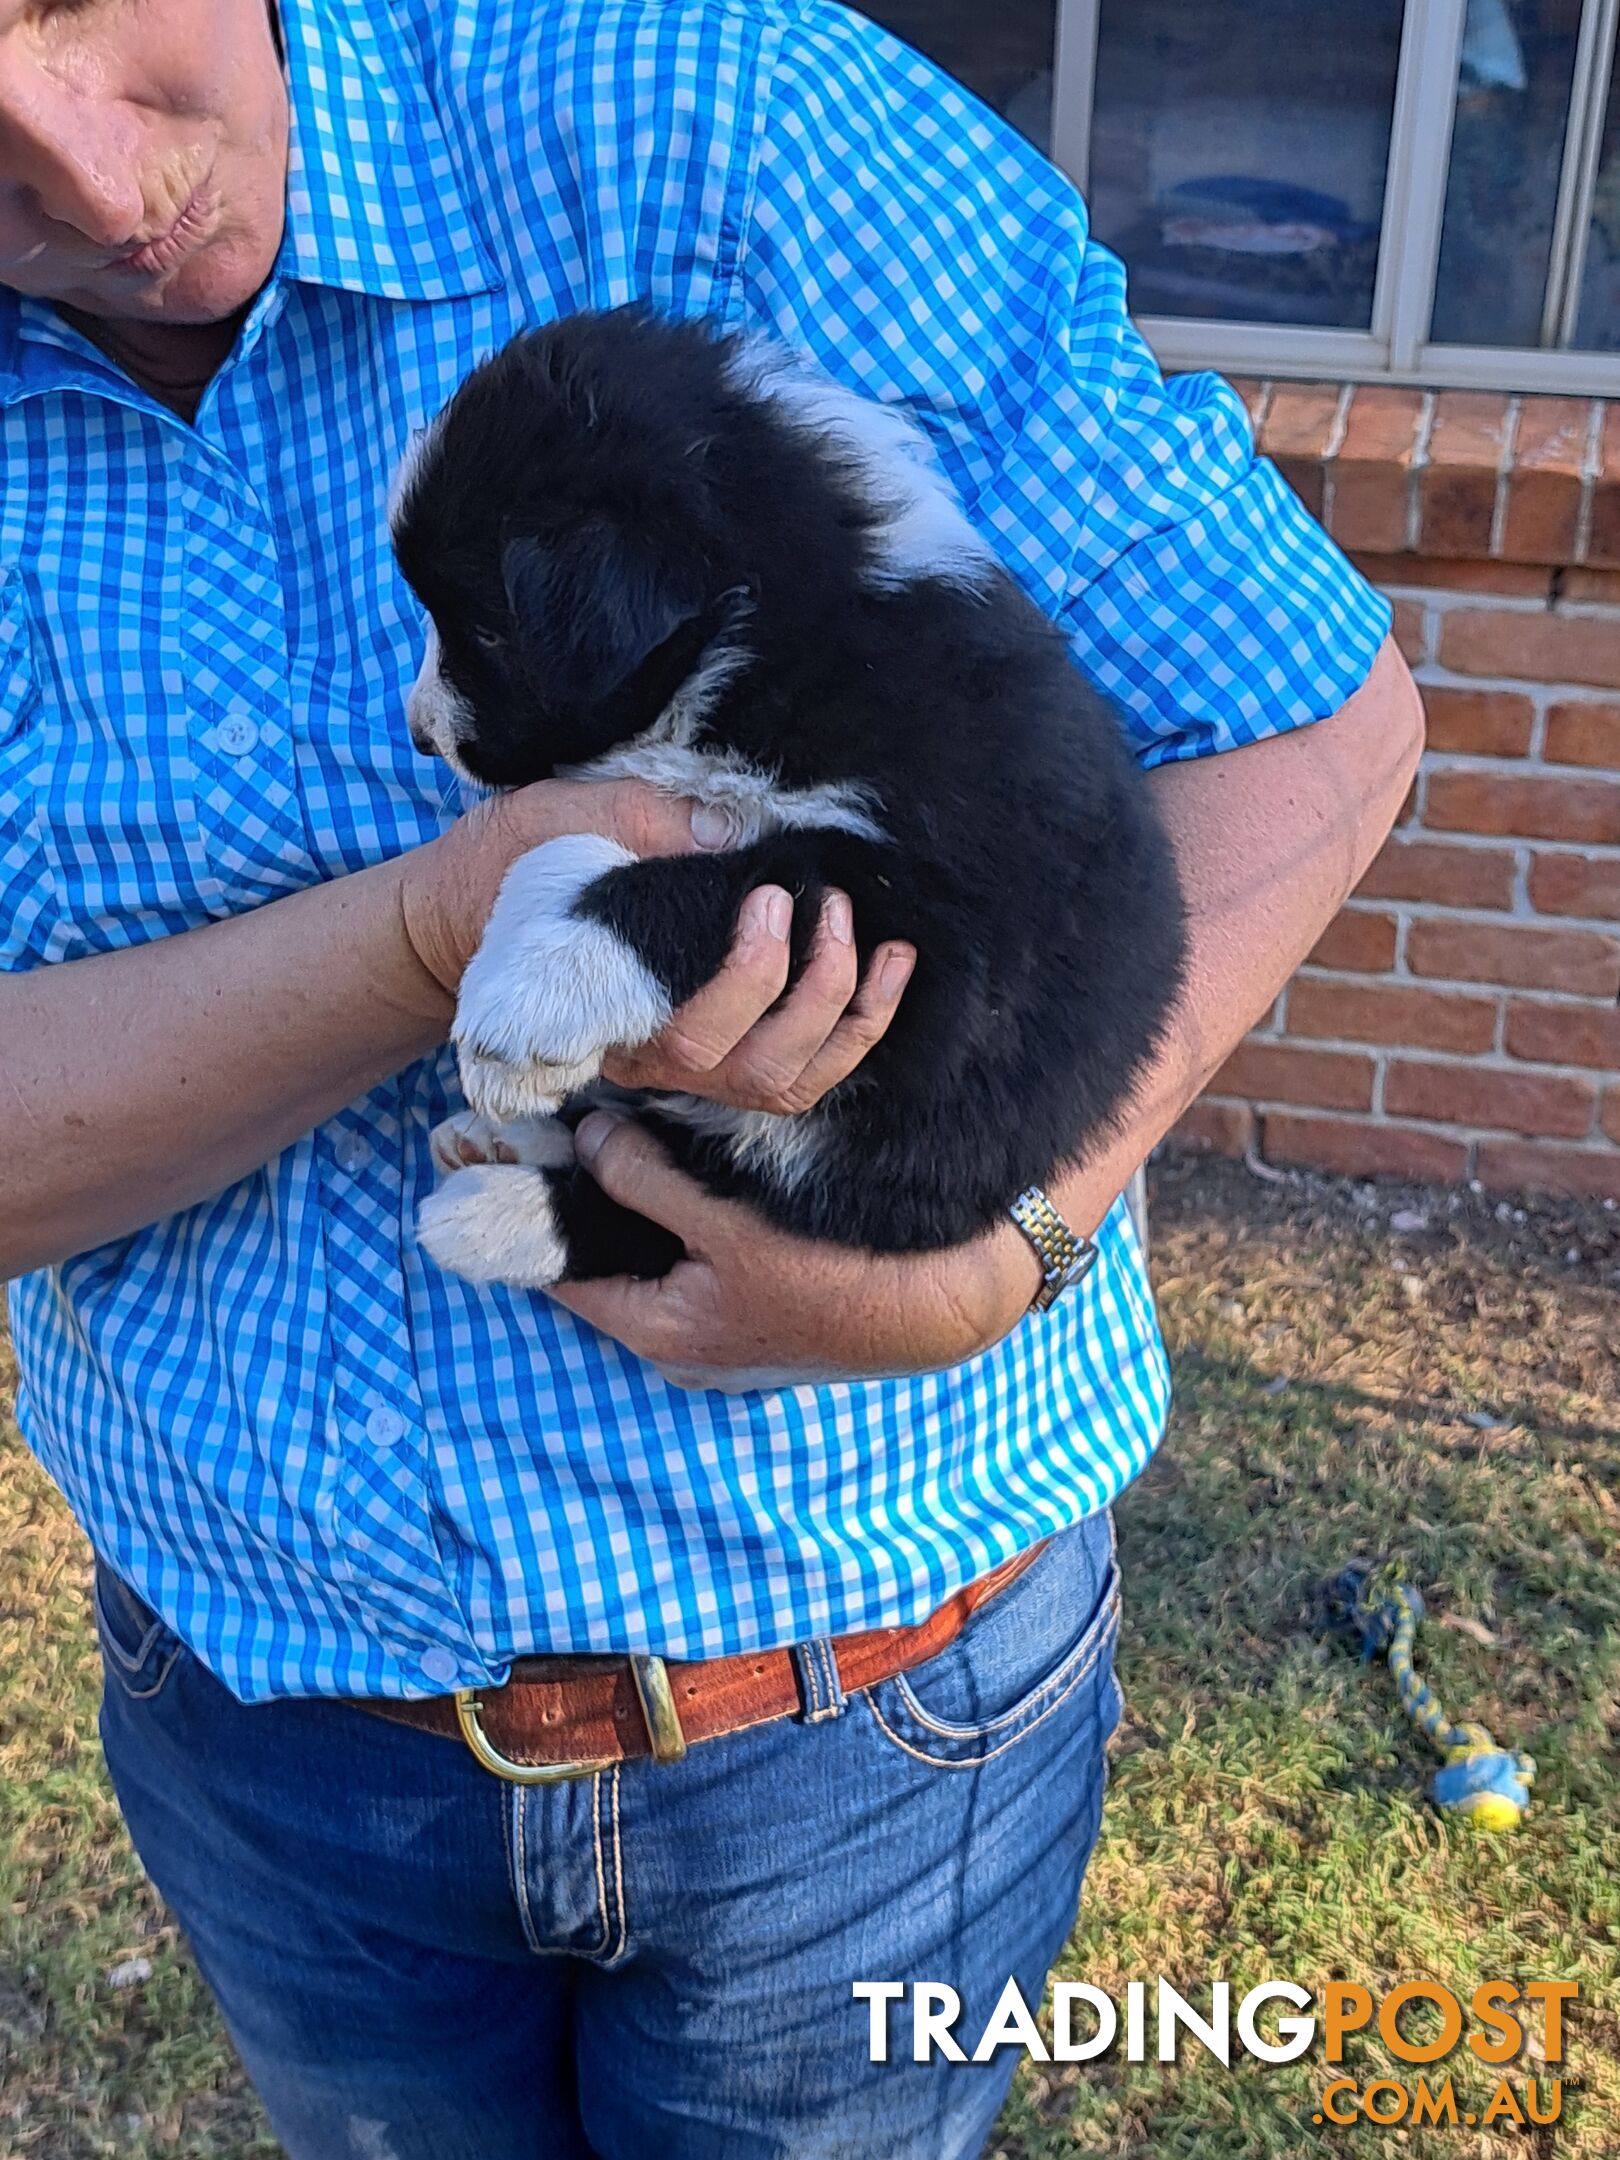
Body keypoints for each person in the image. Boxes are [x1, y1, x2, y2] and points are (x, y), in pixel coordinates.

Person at [0, 1, 1424, 2153]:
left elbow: (1306, 723)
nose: (90, 175)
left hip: (867, 1702)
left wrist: (988, 1244)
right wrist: (433, 931)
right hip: (271, 1723)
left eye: (67, 2)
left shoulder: (714, 100)